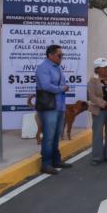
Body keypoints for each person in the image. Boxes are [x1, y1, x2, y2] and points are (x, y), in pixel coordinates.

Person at [35, 45, 72, 175]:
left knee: (56, 135)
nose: (61, 58)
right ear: (50, 55)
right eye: (59, 55)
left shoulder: (57, 67)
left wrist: (62, 88)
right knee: (49, 136)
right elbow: (45, 85)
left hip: (59, 105)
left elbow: (60, 83)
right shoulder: (43, 68)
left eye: (62, 55)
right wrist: (62, 89)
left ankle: (56, 160)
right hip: (48, 107)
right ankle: (46, 164)